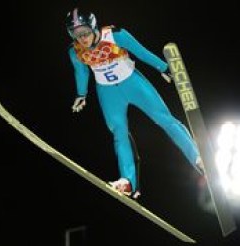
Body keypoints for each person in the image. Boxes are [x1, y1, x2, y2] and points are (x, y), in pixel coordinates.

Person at [66, 8, 204, 199]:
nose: (82, 39)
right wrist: (81, 94)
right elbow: (81, 72)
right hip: (107, 92)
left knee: (164, 119)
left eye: (85, 33)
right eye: (76, 34)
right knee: (119, 133)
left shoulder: (115, 35)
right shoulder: (75, 52)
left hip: (133, 83)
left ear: (93, 27)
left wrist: (163, 67)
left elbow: (140, 51)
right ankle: (127, 181)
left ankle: (198, 157)